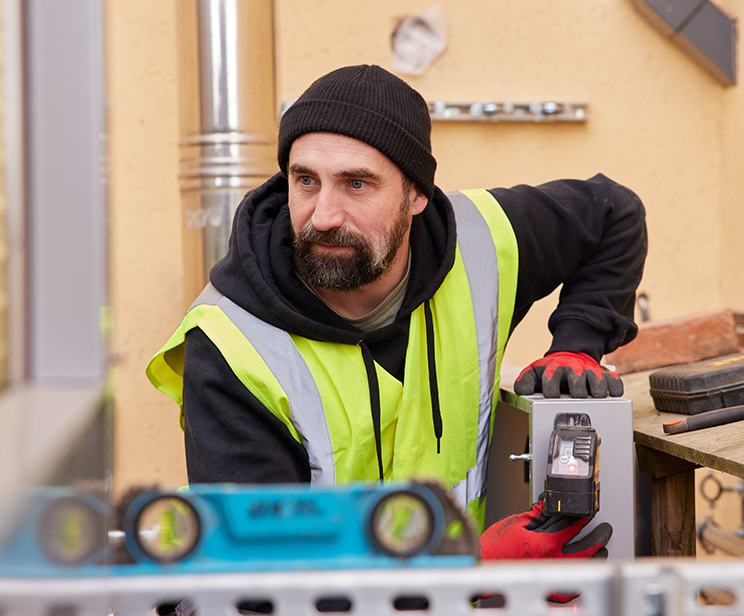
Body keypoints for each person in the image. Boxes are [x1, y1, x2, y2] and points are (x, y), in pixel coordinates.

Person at [146, 64, 646, 560]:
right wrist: (474, 567)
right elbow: (259, 587)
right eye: (305, 181)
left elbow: (615, 214)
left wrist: (579, 343)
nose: (323, 216)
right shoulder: (232, 346)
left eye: (356, 184)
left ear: (417, 194)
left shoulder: (480, 245)